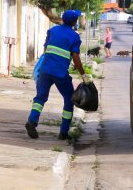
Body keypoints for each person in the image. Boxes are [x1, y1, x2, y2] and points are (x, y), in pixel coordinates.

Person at [25, 9, 89, 140]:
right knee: (69, 98)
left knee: (40, 98)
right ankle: (64, 132)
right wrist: (83, 73)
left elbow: (45, 49)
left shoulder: (52, 31)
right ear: (74, 21)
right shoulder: (74, 36)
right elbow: (76, 57)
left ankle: (32, 121)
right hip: (60, 73)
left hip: (45, 70)